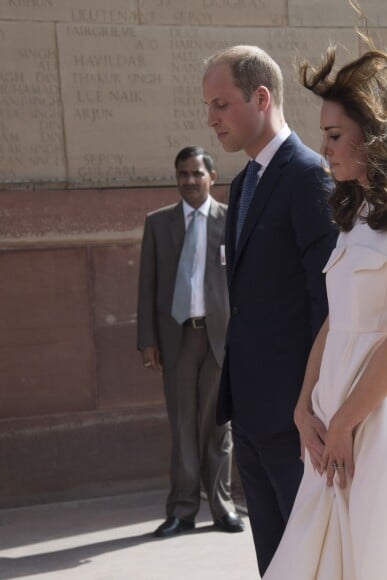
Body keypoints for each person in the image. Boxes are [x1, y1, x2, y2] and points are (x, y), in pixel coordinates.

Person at [263, 41, 387, 580]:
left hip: (378, 423)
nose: (324, 148)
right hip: (329, 422)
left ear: (374, 134)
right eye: (323, 134)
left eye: (335, 135)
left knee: (373, 563)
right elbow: (334, 320)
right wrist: (305, 407)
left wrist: (345, 422)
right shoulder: (359, 212)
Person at [202, 46, 337, 574]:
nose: (211, 119)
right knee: (274, 563)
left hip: (297, 420)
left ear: (261, 97)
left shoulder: (307, 176)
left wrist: (311, 407)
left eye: (221, 104)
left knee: (310, 561)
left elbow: (326, 304)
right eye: (208, 107)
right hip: (252, 414)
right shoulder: (240, 185)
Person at [137, 146, 244, 538]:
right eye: (182, 174)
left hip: (220, 339)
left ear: (211, 177)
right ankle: (182, 510)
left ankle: (222, 507)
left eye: (196, 173)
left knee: (219, 426)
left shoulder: (231, 222)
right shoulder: (158, 224)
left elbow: (245, 284)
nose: (188, 181)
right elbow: (146, 285)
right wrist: (147, 340)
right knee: (183, 426)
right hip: (177, 339)